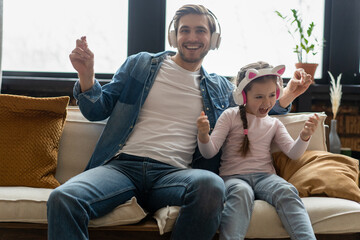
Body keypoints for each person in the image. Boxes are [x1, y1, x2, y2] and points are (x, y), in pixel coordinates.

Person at [47, 4, 312, 240]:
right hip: (122, 168)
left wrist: (287, 95)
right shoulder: (140, 65)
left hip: (174, 175)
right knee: (63, 198)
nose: (192, 37)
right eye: (185, 30)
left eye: (200, 31)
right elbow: (97, 110)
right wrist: (87, 75)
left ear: (213, 39)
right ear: (174, 36)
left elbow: (256, 110)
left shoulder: (219, 88)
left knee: (211, 185)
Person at [197, 61, 319, 240]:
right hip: (233, 178)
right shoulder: (230, 116)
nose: (267, 102)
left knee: (286, 190)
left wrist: (305, 136)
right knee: (241, 192)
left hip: (266, 177)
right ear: (242, 97)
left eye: (271, 95)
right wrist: (203, 135)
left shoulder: (274, 123)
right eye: (259, 97)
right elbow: (209, 152)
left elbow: (294, 153)